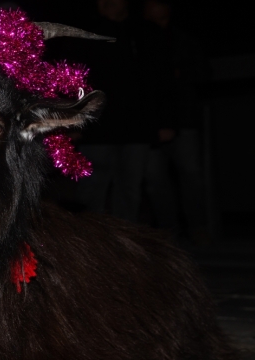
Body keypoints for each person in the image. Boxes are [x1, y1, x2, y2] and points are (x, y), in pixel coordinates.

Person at [72, 0, 174, 223]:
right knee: (91, 191)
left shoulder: (145, 31)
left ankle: (122, 248)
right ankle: (91, 248)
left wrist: (164, 122)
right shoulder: (85, 32)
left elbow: (162, 78)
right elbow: (74, 79)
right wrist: (74, 121)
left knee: (129, 192)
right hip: (96, 130)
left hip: (137, 127)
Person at [143, 0, 211, 243]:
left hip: (183, 121)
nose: (153, 6)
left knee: (191, 175)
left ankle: (198, 227)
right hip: (150, 124)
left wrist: (180, 75)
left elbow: (201, 75)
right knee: (154, 179)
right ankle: (168, 230)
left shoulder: (185, 41)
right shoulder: (139, 40)